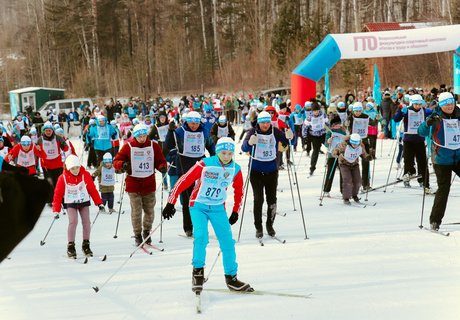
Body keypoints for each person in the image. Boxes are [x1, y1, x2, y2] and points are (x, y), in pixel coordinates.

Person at [162, 137, 253, 293]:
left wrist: (236, 211)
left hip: (218, 208)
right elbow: (184, 180)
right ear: (217, 152)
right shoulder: (205, 164)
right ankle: (198, 272)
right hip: (198, 205)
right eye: (223, 153)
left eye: (230, 153)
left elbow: (239, 191)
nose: (227, 157)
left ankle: (231, 278)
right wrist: (171, 201)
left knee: (228, 242)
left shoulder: (235, 169)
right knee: (201, 237)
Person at [113, 124, 168, 245]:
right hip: (133, 184)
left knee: (149, 211)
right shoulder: (128, 147)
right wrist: (123, 165)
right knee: (136, 211)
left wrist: (162, 167)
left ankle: (146, 232)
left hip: (149, 183)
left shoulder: (154, 146)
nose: (142, 139)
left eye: (144, 136)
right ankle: (137, 234)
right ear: (135, 136)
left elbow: (160, 160)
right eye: (140, 137)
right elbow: (116, 161)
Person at [241, 111, 292, 238]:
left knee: (272, 200)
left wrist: (291, 136)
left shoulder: (275, 131)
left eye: (267, 122)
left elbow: (289, 141)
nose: (265, 125)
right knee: (258, 199)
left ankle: (270, 224)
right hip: (256, 171)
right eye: (263, 122)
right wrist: (249, 143)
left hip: (271, 171)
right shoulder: (252, 132)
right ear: (258, 122)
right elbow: (243, 148)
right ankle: (258, 227)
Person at [164, 111, 215, 237]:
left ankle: (200, 226)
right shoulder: (180, 132)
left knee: (200, 198)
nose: (194, 126)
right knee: (187, 199)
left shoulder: (204, 131)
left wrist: (215, 159)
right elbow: (167, 147)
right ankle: (188, 227)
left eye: (196, 123)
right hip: (184, 165)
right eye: (192, 123)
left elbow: (210, 146)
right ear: (187, 121)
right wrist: (170, 132)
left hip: (201, 166)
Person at [418, 92, 460, 231]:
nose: (449, 106)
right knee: (444, 189)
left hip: (458, 157)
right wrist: (427, 123)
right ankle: (435, 221)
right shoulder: (435, 117)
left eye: (451, 103)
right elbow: (421, 132)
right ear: (441, 105)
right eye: (446, 104)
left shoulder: (459, 115)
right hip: (441, 159)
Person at [52, 155, 105, 258]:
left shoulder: (85, 175)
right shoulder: (62, 178)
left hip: (83, 201)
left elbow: (92, 190)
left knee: (86, 222)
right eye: (72, 168)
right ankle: (71, 246)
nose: (75, 170)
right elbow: (57, 195)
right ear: (68, 168)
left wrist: (99, 203)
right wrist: (56, 210)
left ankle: (86, 244)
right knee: (73, 221)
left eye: (77, 167)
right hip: (71, 203)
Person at [393, 94, 432, 191]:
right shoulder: (407, 111)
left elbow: (433, 112)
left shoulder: (424, 111)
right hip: (408, 140)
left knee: (422, 161)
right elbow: (396, 119)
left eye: (420, 104)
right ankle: (407, 176)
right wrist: (401, 112)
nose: (418, 106)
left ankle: (424, 181)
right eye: (416, 104)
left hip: (420, 140)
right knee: (408, 160)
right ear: (412, 103)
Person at [332, 133, 372, 204]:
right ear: (350, 141)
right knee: (347, 180)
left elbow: (363, 154)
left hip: (354, 164)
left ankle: (354, 195)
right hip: (344, 164)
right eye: (353, 142)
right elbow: (336, 150)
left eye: (356, 143)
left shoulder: (361, 146)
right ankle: (346, 198)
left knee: (358, 181)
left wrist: (367, 157)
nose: (354, 145)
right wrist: (336, 153)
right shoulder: (344, 145)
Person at [35, 121, 69, 202]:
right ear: (44, 131)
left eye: (49, 130)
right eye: (46, 131)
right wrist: (38, 151)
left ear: (52, 130)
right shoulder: (40, 139)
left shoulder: (58, 138)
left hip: (57, 164)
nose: (48, 132)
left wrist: (64, 145)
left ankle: (61, 197)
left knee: (58, 181)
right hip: (46, 164)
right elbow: (36, 151)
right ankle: (50, 198)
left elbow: (66, 148)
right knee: (49, 182)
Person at [346, 102, 373, 191]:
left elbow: (373, 122)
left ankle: (366, 184)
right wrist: (346, 124)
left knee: (366, 162)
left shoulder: (365, 116)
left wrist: (378, 119)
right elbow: (346, 126)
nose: (358, 113)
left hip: (364, 142)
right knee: (352, 163)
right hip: (353, 143)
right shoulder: (351, 117)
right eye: (356, 111)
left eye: (359, 111)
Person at [302, 101, 328, 176]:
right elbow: (305, 127)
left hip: (323, 134)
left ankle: (330, 163)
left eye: (317, 110)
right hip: (314, 136)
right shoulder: (309, 117)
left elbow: (327, 123)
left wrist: (328, 131)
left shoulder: (323, 115)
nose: (316, 112)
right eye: (314, 111)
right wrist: (305, 136)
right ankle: (312, 168)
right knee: (315, 151)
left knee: (329, 147)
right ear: (312, 111)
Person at [323, 115, 346, 197]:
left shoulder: (343, 131)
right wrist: (328, 141)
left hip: (341, 155)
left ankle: (343, 191)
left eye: (338, 124)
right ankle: (326, 190)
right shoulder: (330, 132)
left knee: (343, 173)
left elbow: (346, 141)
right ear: (332, 125)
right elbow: (326, 143)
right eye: (335, 125)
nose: (337, 126)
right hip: (332, 155)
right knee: (330, 172)